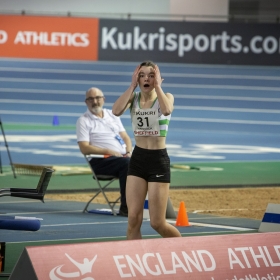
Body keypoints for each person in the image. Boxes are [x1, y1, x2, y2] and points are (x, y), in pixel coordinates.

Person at [112, 61, 182, 239]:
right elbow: (116, 111)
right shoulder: (133, 98)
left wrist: (158, 86)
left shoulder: (166, 96)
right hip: (138, 159)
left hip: (158, 160)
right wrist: (131, 86)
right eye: (142, 75)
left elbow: (166, 110)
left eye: (151, 75)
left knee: (157, 223)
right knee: (133, 219)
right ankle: (133, 261)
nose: (146, 79)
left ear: (157, 78)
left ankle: (183, 251)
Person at [76, 87, 132, 217]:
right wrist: (109, 151)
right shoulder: (83, 121)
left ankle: (148, 206)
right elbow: (84, 148)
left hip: (123, 158)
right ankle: (126, 208)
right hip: (101, 161)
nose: (95, 101)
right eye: (91, 99)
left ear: (103, 99)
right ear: (86, 102)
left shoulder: (112, 114)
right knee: (128, 164)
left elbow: (125, 137)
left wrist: (128, 151)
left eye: (97, 98)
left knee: (146, 161)